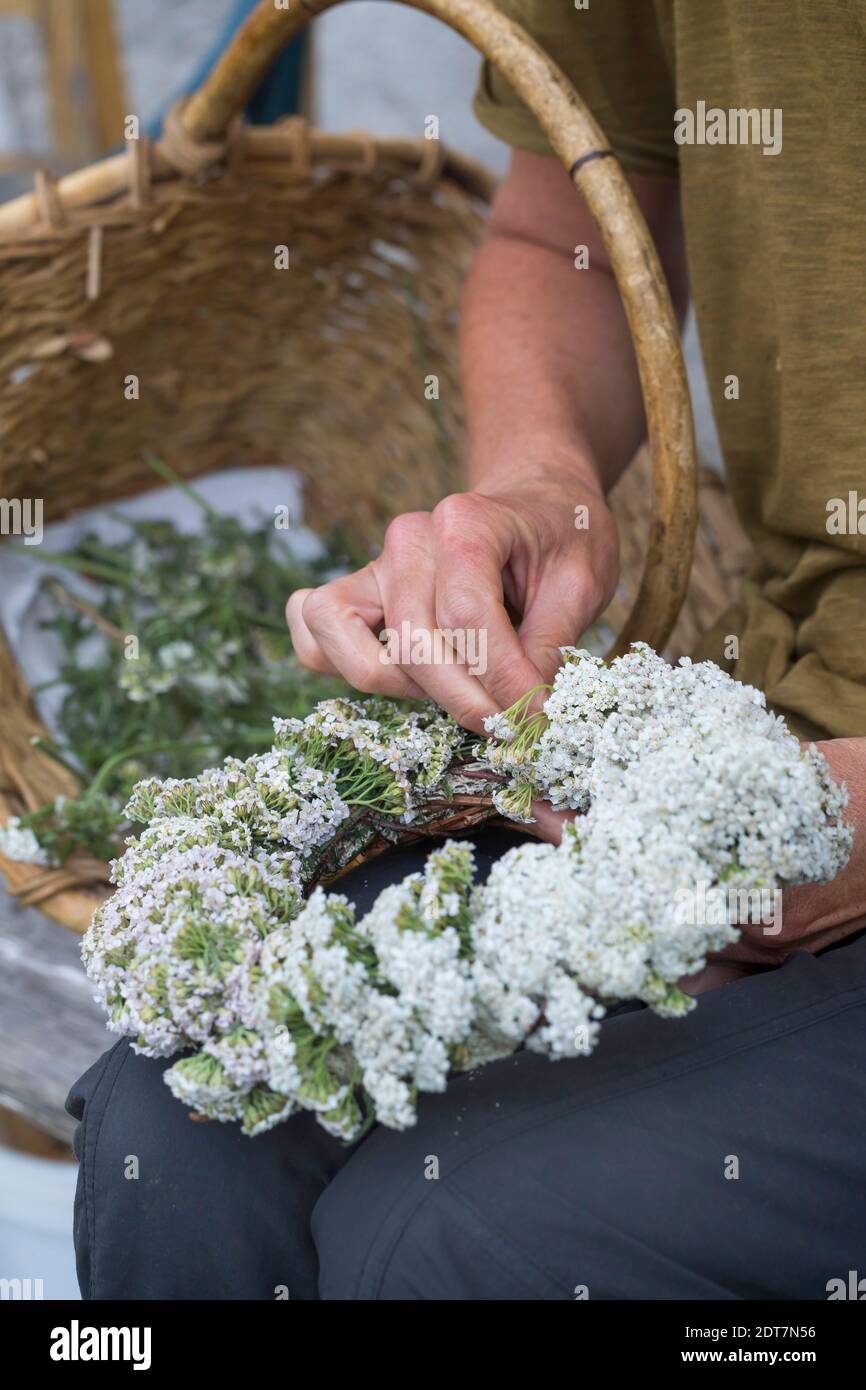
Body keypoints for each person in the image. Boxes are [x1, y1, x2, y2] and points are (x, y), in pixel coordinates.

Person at [68, 0, 866, 1299]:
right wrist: (538, 484)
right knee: (185, 1120)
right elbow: (568, 230)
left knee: (455, 1233)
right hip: (762, 737)